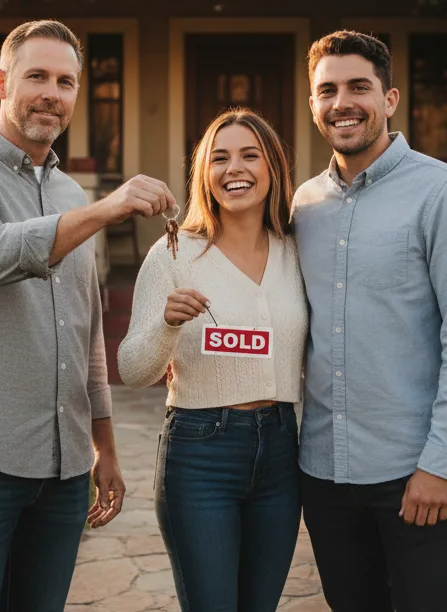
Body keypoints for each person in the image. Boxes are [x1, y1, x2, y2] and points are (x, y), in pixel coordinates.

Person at [0, 20, 175, 611]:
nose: (52, 93)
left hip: (62, 471)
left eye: (66, 81)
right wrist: (108, 209)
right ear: (2, 82)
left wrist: (103, 447)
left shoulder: (70, 198)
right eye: (37, 76)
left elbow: (83, 335)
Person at [292, 31, 447, 611]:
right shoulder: (302, 206)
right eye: (326, 90)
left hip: (415, 473)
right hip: (325, 476)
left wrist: (440, 463)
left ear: (390, 99)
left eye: (359, 86)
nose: (342, 103)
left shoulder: (444, 194)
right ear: (313, 105)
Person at [118, 108, 307, 611]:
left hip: (283, 454)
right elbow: (133, 370)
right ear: (204, 173)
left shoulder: (297, 251)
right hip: (201, 454)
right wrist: (167, 324)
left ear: (273, 167)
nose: (234, 169)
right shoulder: (174, 253)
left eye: (250, 155)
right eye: (218, 158)